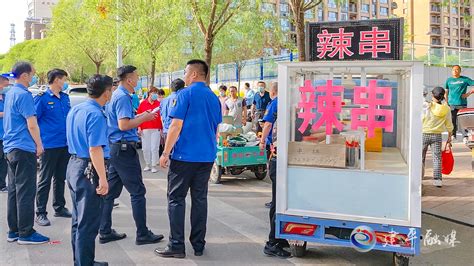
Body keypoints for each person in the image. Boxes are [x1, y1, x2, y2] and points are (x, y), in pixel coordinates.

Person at [156, 59, 221, 258]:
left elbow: (175, 125)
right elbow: (216, 127)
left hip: (184, 156)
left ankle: (176, 245)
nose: (184, 76)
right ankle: (198, 244)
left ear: (193, 74)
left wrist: (166, 153)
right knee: (200, 199)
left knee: (176, 199)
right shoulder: (213, 97)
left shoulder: (184, 94)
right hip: (207, 156)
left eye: (185, 72)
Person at [100, 65, 164, 246]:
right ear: (129, 80)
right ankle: (142, 233)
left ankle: (104, 230)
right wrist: (145, 118)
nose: (138, 79)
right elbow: (123, 125)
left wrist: (141, 116)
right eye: (136, 76)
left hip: (117, 148)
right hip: (124, 150)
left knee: (110, 192)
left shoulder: (118, 95)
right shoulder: (122, 97)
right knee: (137, 192)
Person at [66, 74, 111, 266]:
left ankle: (82, 260)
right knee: (88, 222)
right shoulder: (95, 114)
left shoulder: (76, 109)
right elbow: (95, 149)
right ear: (107, 92)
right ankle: (85, 263)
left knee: (78, 219)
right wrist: (103, 178)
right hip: (88, 168)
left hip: (74, 164)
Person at [3, 61, 49, 244]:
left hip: (10, 148)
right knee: (26, 192)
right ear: (24, 75)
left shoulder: (10, 93)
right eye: (32, 74)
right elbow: (32, 123)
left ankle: (14, 231)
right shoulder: (24, 95)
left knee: (14, 191)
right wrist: (39, 145)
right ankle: (26, 232)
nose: (34, 78)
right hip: (23, 148)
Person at [34, 68, 72, 227]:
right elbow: (33, 121)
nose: (65, 83)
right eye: (63, 79)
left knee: (60, 177)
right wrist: (37, 144)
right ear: (57, 80)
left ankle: (59, 207)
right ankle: (40, 212)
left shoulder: (65, 98)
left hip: (64, 144)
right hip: (48, 145)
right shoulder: (42, 99)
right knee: (44, 179)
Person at [259, 82, 291, 258]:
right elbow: (267, 125)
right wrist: (263, 142)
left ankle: (280, 236)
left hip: (280, 157)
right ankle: (272, 242)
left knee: (280, 200)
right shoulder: (278, 102)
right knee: (278, 201)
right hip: (277, 157)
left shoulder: (279, 102)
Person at [422, 87, 454, 188]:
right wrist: (450, 136)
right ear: (443, 96)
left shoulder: (427, 106)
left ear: (432, 95)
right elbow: (449, 124)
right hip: (437, 136)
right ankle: (437, 181)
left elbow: (421, 118)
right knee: (437, 158)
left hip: (424, 134)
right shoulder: (446, 108)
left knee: (420, 157)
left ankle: (419, 176)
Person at [445, 65, 474, 144]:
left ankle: (465, 136)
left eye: (457, 70)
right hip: (452, 104)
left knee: (463, 121)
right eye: (453, 70)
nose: (455, 71)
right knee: (453, 120)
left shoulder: (465, 79)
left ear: (460, 71)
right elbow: (446, 92)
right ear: (451, 71)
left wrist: (468, 93)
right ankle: (453, 136)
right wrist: (446, 102)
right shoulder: (449, 80)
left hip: (462, 104)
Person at [137, 86, 163, 173]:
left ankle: (154, 165)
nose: (155, 95)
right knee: (146, 148)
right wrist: (139, 127)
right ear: (149, 93)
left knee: (154, 148)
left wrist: (162, 128)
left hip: (156, 128)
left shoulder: (159, 104)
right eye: (153, 93)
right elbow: (139, 116)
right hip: (145, 128)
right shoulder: (143, 104)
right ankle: (147, 164)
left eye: (156, 93)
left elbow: (161, 117)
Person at [0, 75, 10, 193]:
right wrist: (6, 112)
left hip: (6, 135)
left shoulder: (6, 97)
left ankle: (2, 184)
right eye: (6, 85)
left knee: (4, 161)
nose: (7, 87)